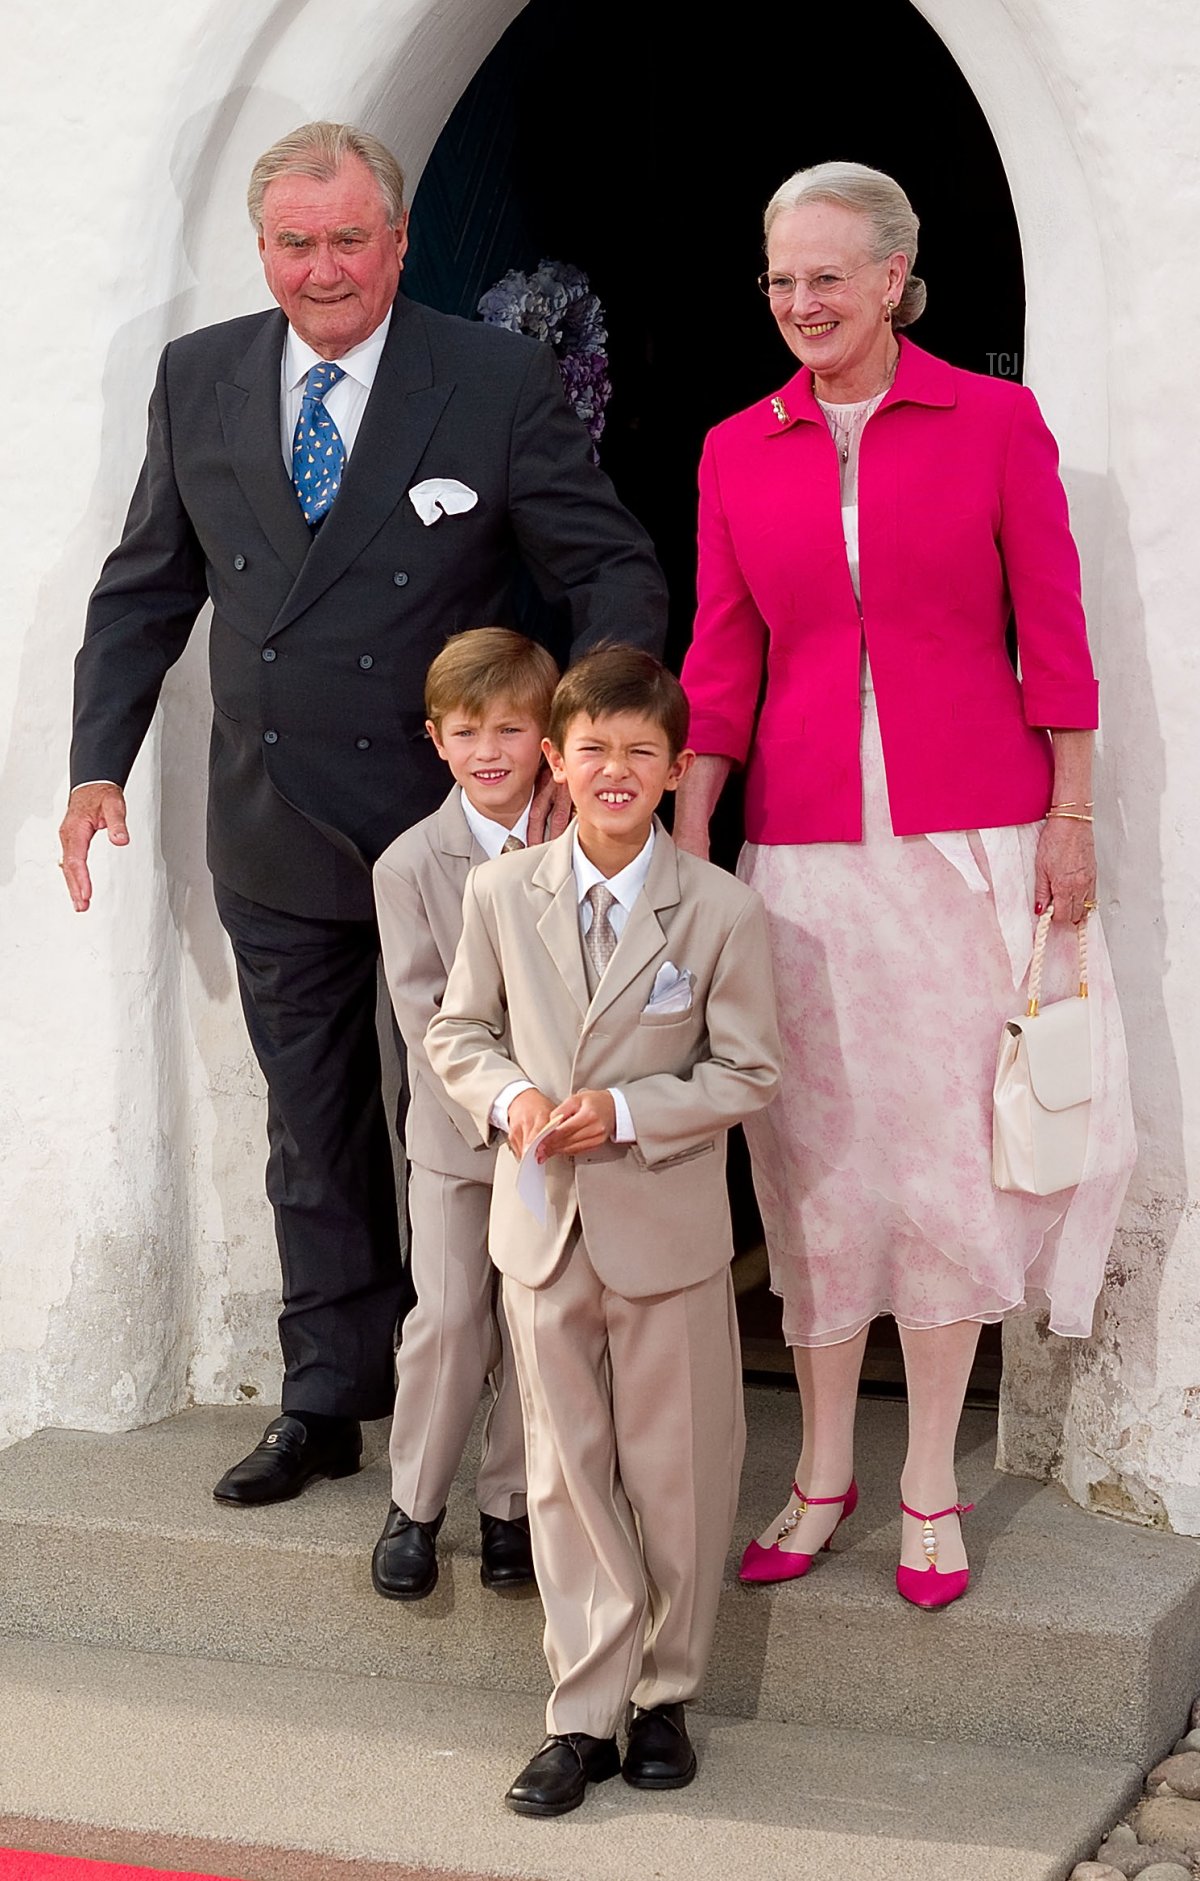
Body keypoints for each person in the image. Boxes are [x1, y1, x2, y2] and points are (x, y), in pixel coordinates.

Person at [59, 122, 667, 1505]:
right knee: (312, 1126)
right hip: (272, 824)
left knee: (473, 1133)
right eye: (295, 242)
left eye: (348, 239)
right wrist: (97, 763)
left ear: (397, 242)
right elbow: (147, 585)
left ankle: (520, 1422)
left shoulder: (494, 377)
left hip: (452, 842)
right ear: (262, 247)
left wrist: (587, 742)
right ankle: (330, 1398)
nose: (322, 267)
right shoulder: (201, 374)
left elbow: (611, 568)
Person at [675, 161, 1134, 1609]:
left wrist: (1070, 812)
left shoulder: (995, 422)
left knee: (946, 1152)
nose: (801, 304)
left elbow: (1055, 632)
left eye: (827, 276)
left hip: (969, 840)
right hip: (802, 853)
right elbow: (723, 652)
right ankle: (820, 1469)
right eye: (780, 280)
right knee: (811, 1159)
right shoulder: (737, 446)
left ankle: (930, 1469)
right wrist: (691, 836)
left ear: (894, 277)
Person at [426, 645, 781, 1815]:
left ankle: (668, 1691)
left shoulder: (722, 908)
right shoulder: (499, 893)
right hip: (542, 1233)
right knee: (564, 1470)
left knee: (678, 1471)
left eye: (641, 752)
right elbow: (456, 1034)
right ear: (555, 764)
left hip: (666, 1232)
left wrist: (629, 1111)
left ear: (678, 768)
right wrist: (511, 1099)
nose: (616, 771)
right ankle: (583, 1711)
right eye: (593, 751)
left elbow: (749, 1070)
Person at [371, 628, 558, 1600]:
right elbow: (425, 1019)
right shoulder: (409, 866)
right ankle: (415, 1502)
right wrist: (504, 1105)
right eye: (468, 732)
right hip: (459, 1139)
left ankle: (509, 1509)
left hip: (559, 1145)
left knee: (536, 1325)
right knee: (448, 1321)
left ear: (545, 738)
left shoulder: (582, 845)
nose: (490, 751)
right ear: (437, 742)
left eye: (511, 728)